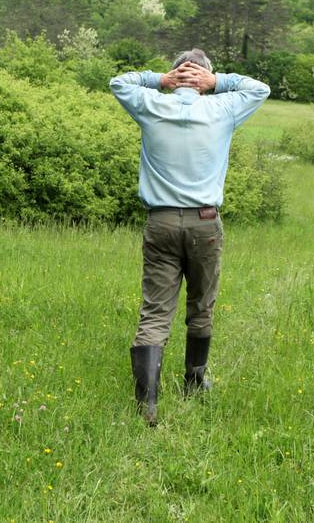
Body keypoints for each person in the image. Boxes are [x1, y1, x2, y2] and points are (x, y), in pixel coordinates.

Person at [109, 48, 270, 425]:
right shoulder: (223, 108)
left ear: (175, 74)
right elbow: (259, 89)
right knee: (201, 304)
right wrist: (220, 83)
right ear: (204, 80)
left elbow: (119, 82)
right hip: (205, 223)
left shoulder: (151, 104)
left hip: (160, 222)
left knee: (155, 311)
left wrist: (158, 80)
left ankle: (147, 403)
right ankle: (194, 383)